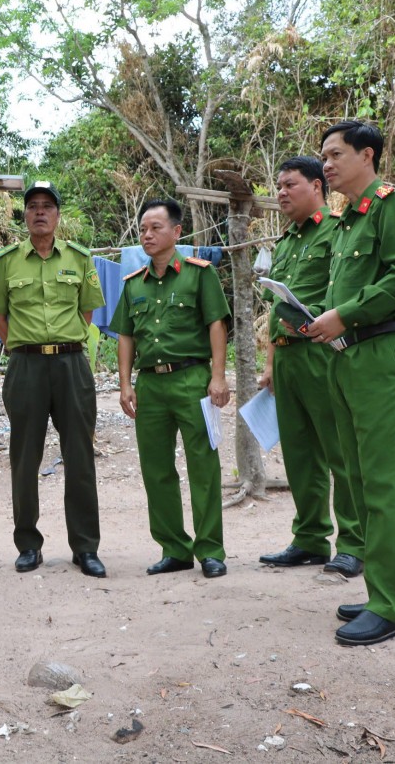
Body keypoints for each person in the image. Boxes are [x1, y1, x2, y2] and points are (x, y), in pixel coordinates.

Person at [304, 120, 395, 646]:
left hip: (386, 355)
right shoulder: (345, 221)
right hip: (349, 359)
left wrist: (346, 314)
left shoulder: (391, 205)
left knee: (384, 485)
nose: (326, 165)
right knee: (360, 481)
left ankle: (389, 607)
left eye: (335, 155)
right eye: (324, 156)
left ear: (368, 155)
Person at [0, 181, 108, 577]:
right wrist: (25, 344)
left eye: (47, 206)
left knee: (80, 458)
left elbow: (87, 313)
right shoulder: (5, 262)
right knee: (24, 456)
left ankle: (85, 547)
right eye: (32, 206)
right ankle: (28, 545)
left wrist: (60, 343)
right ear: (25, 215)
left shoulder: (80, 258)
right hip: (26, 367)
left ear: (57, 215)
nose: (39, 212)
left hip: (71, 366)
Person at [111, 198, 232, 579]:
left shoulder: (200, 274)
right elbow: (126, 336)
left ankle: (210, 550)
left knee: (203, 466)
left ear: (177, 232)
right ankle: (173, 548)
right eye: (143, 229)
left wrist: (218, 375)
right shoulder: (134, 285)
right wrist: (125, 384)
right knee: (156, 469)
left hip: (192, 380)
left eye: (155, 228)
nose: (147, 235)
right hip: (151, 387)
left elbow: (217, 325)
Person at [258, 157, 364, 576]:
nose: (281, 192)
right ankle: (310, 539)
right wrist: (269, 363)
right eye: (278, 186)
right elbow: (274, 311)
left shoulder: (336, 231)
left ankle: (354, 543)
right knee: (300, 455)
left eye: (290, 185)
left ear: (317, 187)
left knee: (339, 452)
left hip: (321, 354)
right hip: (286, 358)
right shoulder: (285, 242)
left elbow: (344, 291)